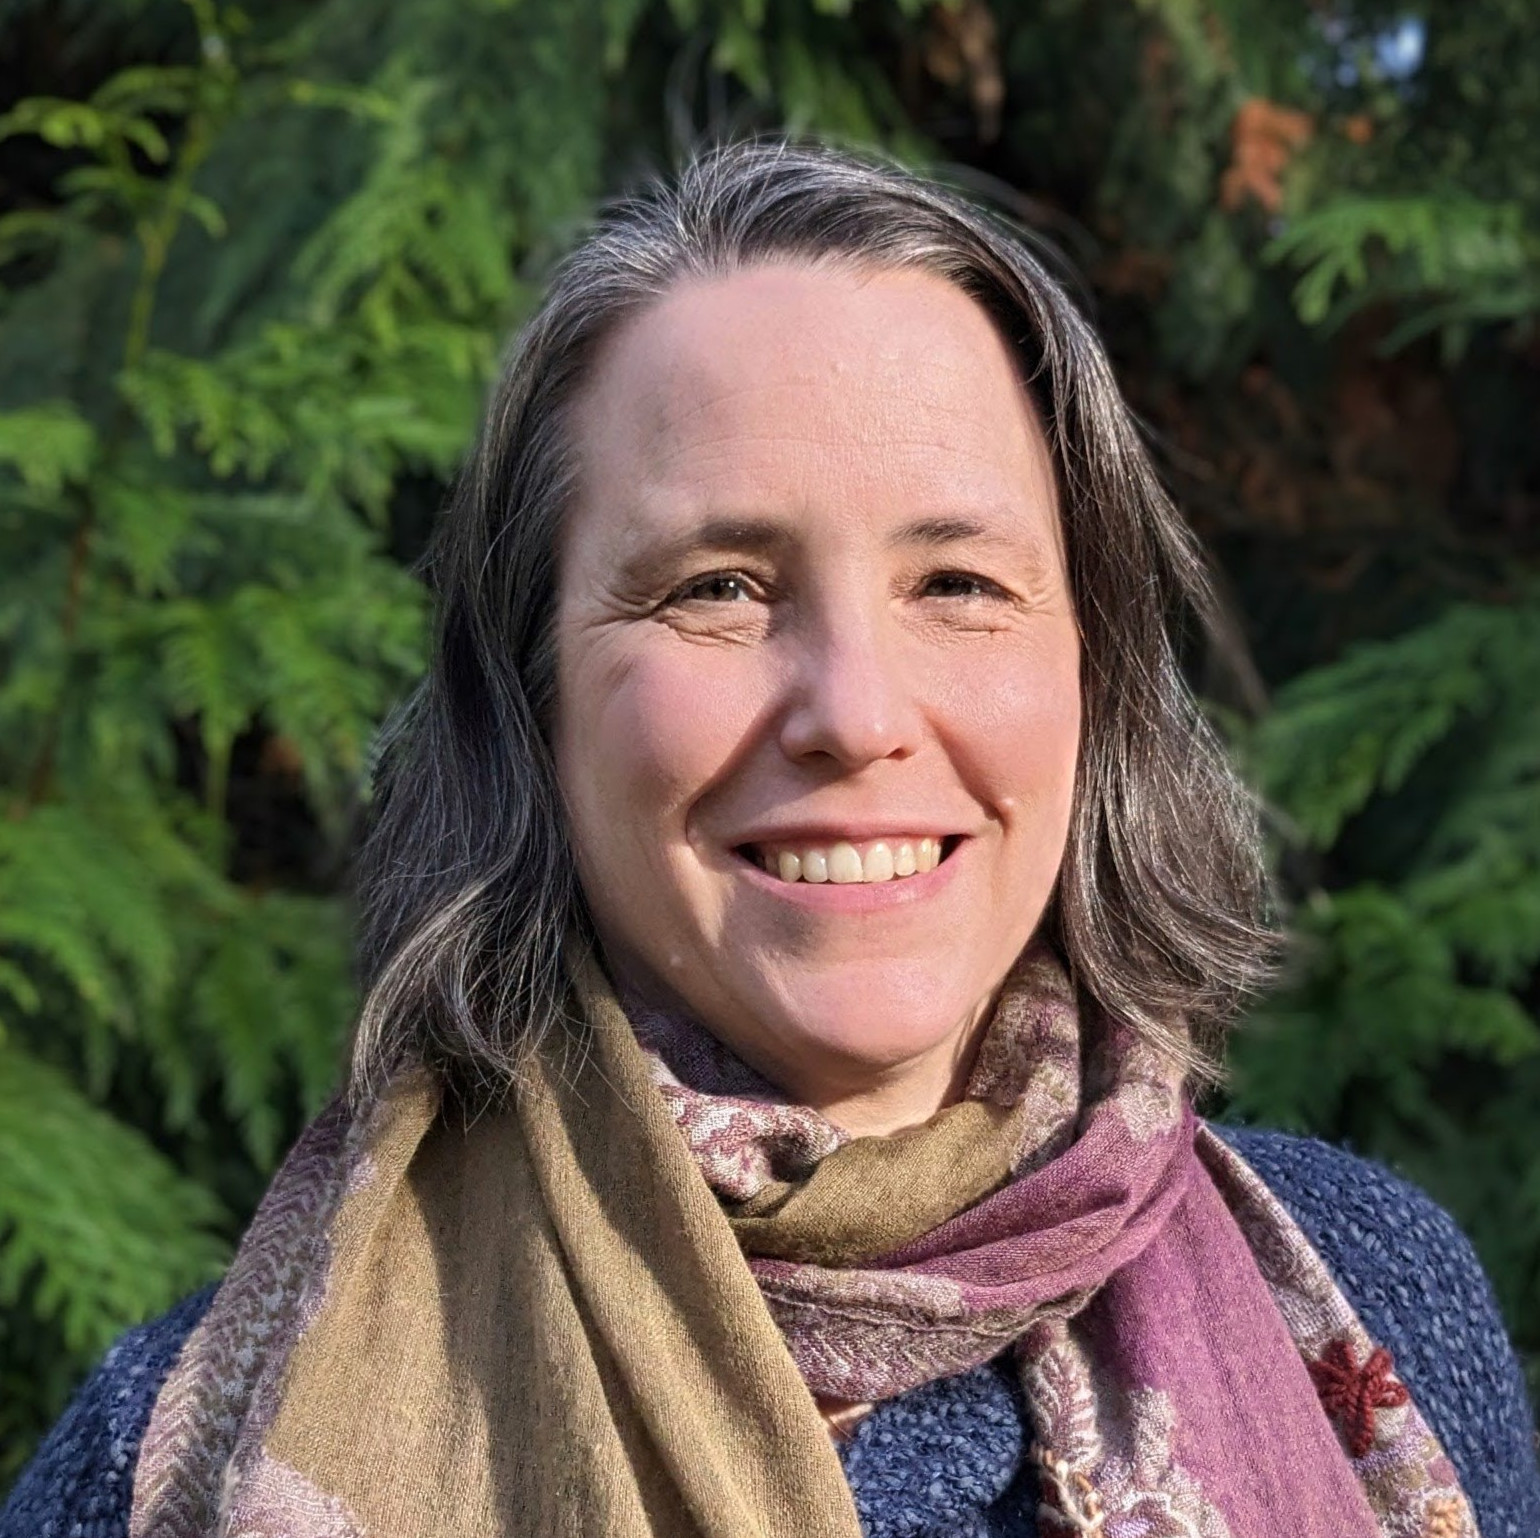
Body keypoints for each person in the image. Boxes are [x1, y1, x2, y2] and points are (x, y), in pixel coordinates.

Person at [5, 139, 1537, 1538]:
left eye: (959, 583)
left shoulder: (1367, 1294)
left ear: (1094, 673)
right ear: (530, 702)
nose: (854, 713)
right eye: (717, 586)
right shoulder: (178, 1450)